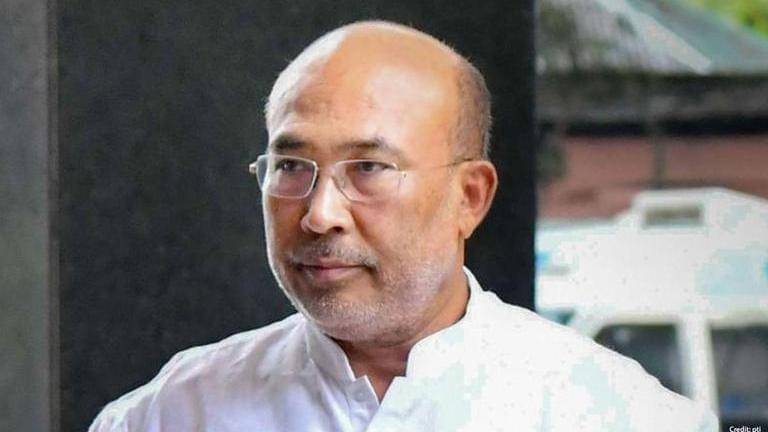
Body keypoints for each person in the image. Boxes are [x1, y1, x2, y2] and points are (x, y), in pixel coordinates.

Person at [89, 20, 718, 431]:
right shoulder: (175, 412)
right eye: (291, 166)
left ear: (469, 197)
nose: (319, 213)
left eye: (368, 168)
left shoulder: (613, 413)